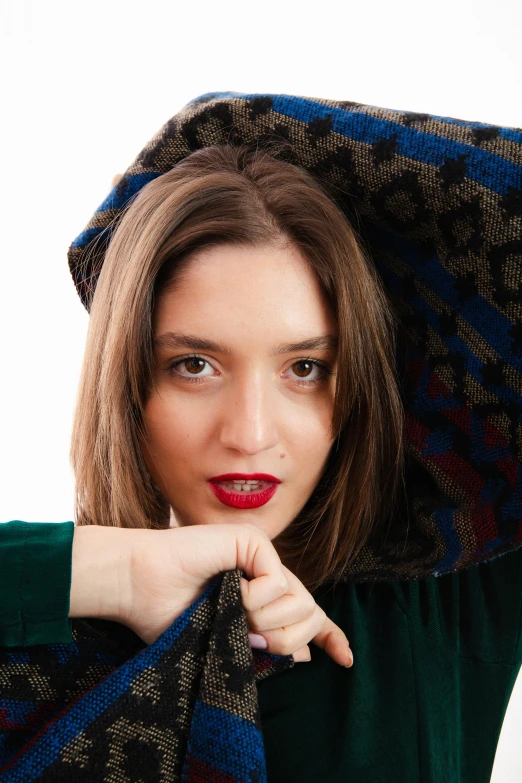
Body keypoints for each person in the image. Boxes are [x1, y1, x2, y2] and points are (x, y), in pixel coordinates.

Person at [1, 92, 521, 783]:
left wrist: (219, 131)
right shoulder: (49, 622)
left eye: (305, 368)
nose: (249, 433)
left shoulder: (444, 585)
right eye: (195, 365)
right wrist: (115, 572)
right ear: (126, 381)